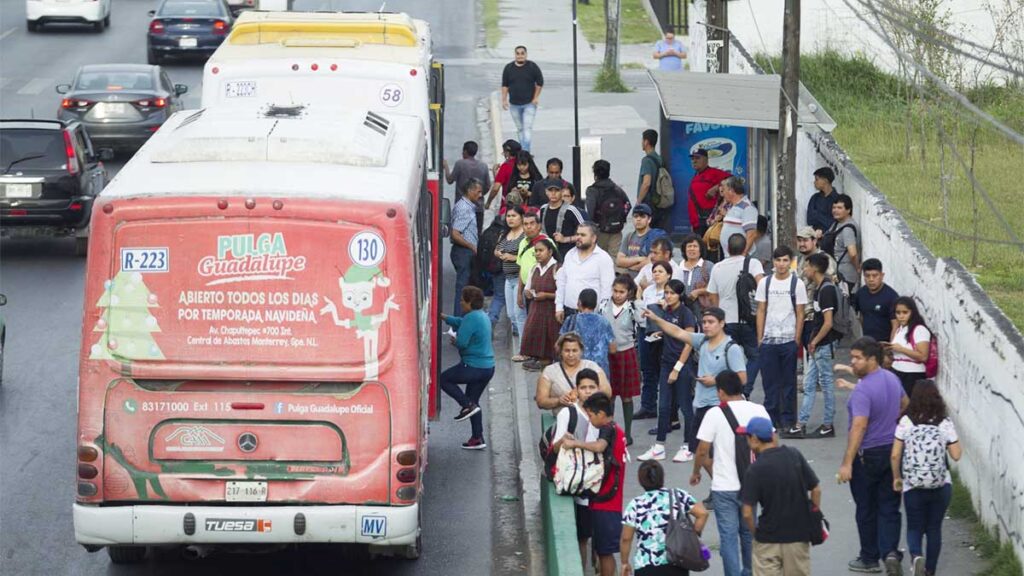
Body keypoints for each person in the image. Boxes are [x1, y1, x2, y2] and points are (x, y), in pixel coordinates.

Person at [645, 306, 749, 509]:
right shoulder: (701, 340)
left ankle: (727, 488)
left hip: (721, 406)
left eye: (711, 322)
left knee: (714, 452)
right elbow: (677, 332)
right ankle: (722, 486)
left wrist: (716, 380)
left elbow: (742, 377)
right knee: (701, 451)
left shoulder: (731, 348)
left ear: (722, 324)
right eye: (705, 322)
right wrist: (656, 319)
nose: (707, 326)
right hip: (701, 406)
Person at [837, 337, 908, 575]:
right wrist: (891, 423)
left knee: (866, 508)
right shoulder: (892, 378)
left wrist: (847, 462)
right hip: (893, 452)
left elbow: (859, 427)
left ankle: (869, 558)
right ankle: (890, 551)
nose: (853, 362)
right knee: (889, 505)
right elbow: (905, 404)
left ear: (872, 359)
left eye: (857, 358)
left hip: (867, 455)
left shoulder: (863, 390)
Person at [693, 370, 771, 576]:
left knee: (728, 538)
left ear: (720, 392)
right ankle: (749, 572)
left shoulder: (715, 414)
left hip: (724, 487)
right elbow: (771, 443)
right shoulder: (759, 410)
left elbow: (702, 449)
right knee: (748, 534)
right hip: (751, 486)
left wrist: (696, 472)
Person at [891, 380, 962, 576]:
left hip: (913, 484)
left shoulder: (906, 421)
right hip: (941, 484)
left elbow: (895, 455)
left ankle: (916, 557)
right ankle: (930, 570)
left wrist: (897, 478)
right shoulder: (944, 422)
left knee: (914, 526)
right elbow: (956, 455)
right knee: (934, 528)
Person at [740, 417, 821, 576]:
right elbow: (816, 489)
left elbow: (747, 513)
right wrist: (814, 514)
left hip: (769, 538)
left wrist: (756, 534)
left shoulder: (755, 470)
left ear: (754, 439)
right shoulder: (794, 455)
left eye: (747, 437)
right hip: (798, 536)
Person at [560, 392, 627, 576]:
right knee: (604, 552)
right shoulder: (617, 430)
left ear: (600, 414)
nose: (589, 420)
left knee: (605, 554)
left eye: (590, 415)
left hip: (606, 504)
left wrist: (575, 444)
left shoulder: (608, 429)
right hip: (610, 502)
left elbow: (599, 447)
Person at [637, 279, 697, 464]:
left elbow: (689, 341)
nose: (668, 296)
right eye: (666, 293)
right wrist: (660, 334)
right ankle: (659, 447)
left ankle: (688, 447)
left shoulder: (686, 314)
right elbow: (671, 330)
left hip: (682, 366)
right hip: (666, 363)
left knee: (686, 407)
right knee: (663, 407)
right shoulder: (667, 311)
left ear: (680, 295)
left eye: (672, 293)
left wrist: (678, 368)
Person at [550, 369, 603, 571]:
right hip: (580, 484)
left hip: (600, 483)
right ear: (576, 390)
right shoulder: (568, 413)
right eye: (583, 388)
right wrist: (564, 441)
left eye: (592, 387)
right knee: (583, 536)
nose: (588, 391)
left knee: (599, 534)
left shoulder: (603, 412)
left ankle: (595, 563)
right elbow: (554, 448)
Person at [785, 252, 840, 439]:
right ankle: (801, 424)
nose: (805, 270)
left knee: (826, 384)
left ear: (815, 268)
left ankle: (827, 424)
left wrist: (815, 341)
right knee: (809, 384)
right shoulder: (820, 288)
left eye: (807, 266)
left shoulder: (826, 290)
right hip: (817, 345)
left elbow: (828, 322)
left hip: (823, 345)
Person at [621, 461, 710, 576]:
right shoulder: (678, 495)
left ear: (640, 480)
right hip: (677, 561)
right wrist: (694, 535)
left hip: (646, 565)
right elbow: (703, 514)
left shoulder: (635, 504)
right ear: (662, 477)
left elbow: (626, 538)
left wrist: (624, 562)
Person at [755, 246, 807, 430]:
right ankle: (771, 419)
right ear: (774, 262)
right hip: (769, 341)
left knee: (788, 383)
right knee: (770, 383)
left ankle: (788, 420)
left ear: (790, 261)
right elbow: (761, 310)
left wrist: (796, 338)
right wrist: (760, 338)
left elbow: (800, 313)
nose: (781, 264)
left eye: (785, 260)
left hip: (788, 341)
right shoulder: (765, 283)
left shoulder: (797, 284)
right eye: (778, 260)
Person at [707, 234, 765, 398]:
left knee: (727, 357)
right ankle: (745, 391)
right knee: (754, 356)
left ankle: (726, 392)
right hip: (748, 320)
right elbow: (762, 285)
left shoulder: (718, 267)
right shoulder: (753, 263)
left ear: (727, 248)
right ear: (745, 247)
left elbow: (712, 295)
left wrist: (719, 314)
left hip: (726, 321)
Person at [440, 286, 495, 450]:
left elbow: (462, 342)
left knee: (444, 379)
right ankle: (477, 437)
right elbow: (460, 322)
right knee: (474, 401)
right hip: (488, 368)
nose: (460, 302)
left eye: (463, 300)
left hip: (473, 366)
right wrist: (445, 318)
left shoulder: (471, 317)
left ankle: (466, 405)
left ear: (469, 302)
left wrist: (454, 340)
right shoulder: (481, 315)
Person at [602, 275, 643, 445]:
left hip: (626, 354)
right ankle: (609, 430)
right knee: (608, 395)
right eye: (616, 291)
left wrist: (640, 302)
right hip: (607, 355)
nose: (618, 295)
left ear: (629, 293)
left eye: (622, 292)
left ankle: (627, 433)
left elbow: (643, 323)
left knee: (626, 396)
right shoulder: (603, 305)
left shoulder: (633, 308)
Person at [635, 258, 675, 422]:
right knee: (648, 369)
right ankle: (648, 406)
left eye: (660, 271)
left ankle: (668, 408)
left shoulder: (671, 292)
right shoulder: (648, 291)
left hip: (663, 333)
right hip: (645, 331)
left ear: (669, 275)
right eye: (654, 271)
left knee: (664, 371)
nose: (656, 274)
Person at [535, 332, 613, 412]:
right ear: (561, 352)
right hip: (563, 419)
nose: (571, 355)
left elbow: (607, 392)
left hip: (590, 418)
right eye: (567, 351)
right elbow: (541, 401)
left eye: (574, 350)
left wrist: (582, 392)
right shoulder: (550, 371)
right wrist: (559, 401)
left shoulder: (592, 366)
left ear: (581, 351)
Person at [555, 223, 615, 323]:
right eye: (577, 234)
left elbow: (607, 290)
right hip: (568, 312)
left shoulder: (603, 258)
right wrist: (559, 307)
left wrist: (600, 316)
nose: (578, 237)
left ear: (594, 238)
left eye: (583, 235)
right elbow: (562, 282)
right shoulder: (570, 254)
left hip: (591, 315)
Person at [520, 236, 561, 371]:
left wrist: (547, 295)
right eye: (536, 251)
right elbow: (527, 288)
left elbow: (562, 293)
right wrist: (528, 293)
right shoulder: (534, 268)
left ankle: (547, 360)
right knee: (534, 331)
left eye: (541, 250)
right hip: (536, 307)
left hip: (550, 309)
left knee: (549, 334)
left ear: (550, 251)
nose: (538, 254)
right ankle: (536, 357)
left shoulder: (557, 269)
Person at [561, 288, 617, 377]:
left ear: (579, 302)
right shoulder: (604, 322)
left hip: (576, 369)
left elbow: (558, 346)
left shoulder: (571, 320)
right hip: (600, 371)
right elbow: (613, 349)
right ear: (595, 304)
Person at [886, 297, 932, 399]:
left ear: (912, 312)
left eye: (905, 312)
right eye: (898, 313)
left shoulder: (919, 329)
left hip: (912, 374)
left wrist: (901, 349)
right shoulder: (900, 329)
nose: (901, 316)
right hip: (897, 370)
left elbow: (923, 356)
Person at [444, 141, 491, 237]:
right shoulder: (483, 166)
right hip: (478, 208)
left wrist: (446, 167)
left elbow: (450, 180)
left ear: (465, 152)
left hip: (462, 208)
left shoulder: (460, 164)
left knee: (459, 235)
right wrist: (478, 195)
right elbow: (488, 186)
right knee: (476, 235)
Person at [501, 45, 543, 151]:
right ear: (515, 55)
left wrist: (535, 97)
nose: (520, 56)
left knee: (527, 128)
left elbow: (540, 82)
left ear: (526, 54)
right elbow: (505, 85)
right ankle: (522, 151)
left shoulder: (532, 67)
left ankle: (525, 152)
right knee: (520, 129)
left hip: (529, 104)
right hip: (514, 104)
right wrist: (504, 99)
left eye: (522, 53)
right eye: (518, 53)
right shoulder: (508, 68)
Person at [586, 159, 631, 257]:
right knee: (615, 258)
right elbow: (628, 204)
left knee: (599, 257)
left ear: (595, 174)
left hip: (600, 230)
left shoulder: (592, 191)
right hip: (616, 229)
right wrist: (620, 217)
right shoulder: (617, 189)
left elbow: (590, 212)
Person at [450, 178, 482, 316]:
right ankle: (458, 323)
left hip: (466, 252)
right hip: (463, 253)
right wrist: (471, 246)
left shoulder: (467, 206)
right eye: (478, 192)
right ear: (470, 191)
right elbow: (455, 234)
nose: (480, 195)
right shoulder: (464, 209)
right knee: (463, 289)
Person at [493, 205, 527, 335]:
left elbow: (528, 255)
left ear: (521, 217)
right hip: (507, 278)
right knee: (510, 314)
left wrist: (513, 257)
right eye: (508, 216)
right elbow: (496, 249)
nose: (510, 219)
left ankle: (522, 346)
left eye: (514, 216)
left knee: (519, 314)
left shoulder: (524, 235)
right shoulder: (505, 233)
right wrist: (499, 254)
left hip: (519, 278)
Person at [513, 211, 544, 351]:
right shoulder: (523, 243)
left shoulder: (545, 243)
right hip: (525, 290)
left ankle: (530, 353)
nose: (529, 227)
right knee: (523, 320)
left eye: (532, 224)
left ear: (539, 226)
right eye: (525, 224)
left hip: (539, 293)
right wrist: (519, 292)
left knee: (536, 325)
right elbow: (522, 268)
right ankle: (524, 349)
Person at [853, 258, 899, 345]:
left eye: (875, 275)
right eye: (867, 276)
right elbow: (861, 316)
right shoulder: (860, 293)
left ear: (882, 275)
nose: (871, 279)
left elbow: (896, 326)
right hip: (867, 344)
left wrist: (891, 347)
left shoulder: (891, 297)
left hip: (884, 345)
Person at [686, 148, 730, 236]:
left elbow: (733, 180)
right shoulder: (695, 176)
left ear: (706, 159)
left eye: (697, 158)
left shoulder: (714, 172)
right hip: (697, 224)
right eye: (692, 159)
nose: (694, 161)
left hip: (709, 222)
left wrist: (717, 187)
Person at [539, 178, 585, 260]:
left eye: (556, 190)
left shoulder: (571, 210)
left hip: (569, 257)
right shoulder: (543, 209)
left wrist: (565, 239)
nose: (553, 193)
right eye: (550, 190)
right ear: (546, 192)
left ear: (562, 192)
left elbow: (586, 234)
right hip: (548, 258)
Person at [616, 204, 668, 277]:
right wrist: (639, 259)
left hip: (646, 279)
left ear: (649, 219)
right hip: (628, 280)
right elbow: (619, 261)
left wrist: (630, 266)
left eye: (642, 216)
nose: (638, 219)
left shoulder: (654, 237)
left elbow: (649, 262)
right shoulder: (629, 236)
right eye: (636, 216)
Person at [825, 193, 860, 295]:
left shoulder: (848, 229)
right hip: (836, 274)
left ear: (848, 210)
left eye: (839, 208)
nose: (835, 210)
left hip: (845, 276)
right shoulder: (837, 223)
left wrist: (857, 268)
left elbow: (853, 253)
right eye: (834, 207)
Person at [637, 129, 672, 231]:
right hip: (659, 202)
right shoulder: (659, 159)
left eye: (642, 140)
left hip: (648, 203)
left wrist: (639, 201)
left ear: (646, 142)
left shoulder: (647, 161)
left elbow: (646, 183)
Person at [718, 176, 758, 258]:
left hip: (741, 258)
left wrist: (743, 254)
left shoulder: (747, 207)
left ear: (731, 191)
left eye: (724, 190)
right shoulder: (733, 206)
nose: (723, 193)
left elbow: (751, 234)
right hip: (731, 257)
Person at [678, 235, 714, 322]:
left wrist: (699, 291)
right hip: (682, 309)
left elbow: (716, 286)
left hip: (703, 309)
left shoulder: (708, 266)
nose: (692, 249)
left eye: (695, 246)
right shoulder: (678, 267)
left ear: (700, 249)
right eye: (689, 246)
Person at [486, 139, 521, 212]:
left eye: (504, 152)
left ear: (508, 153)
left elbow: (496, 188)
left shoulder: (505, 166)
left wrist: (488, 202)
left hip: (508, 205)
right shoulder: (525, 164)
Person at [806, 166, 838, 234]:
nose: (814, 182)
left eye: (817, 179)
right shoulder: (814, 198)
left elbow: (834, 224)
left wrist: (817, 214)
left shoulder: (837, 199)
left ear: (825, 180)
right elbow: (810, 220)